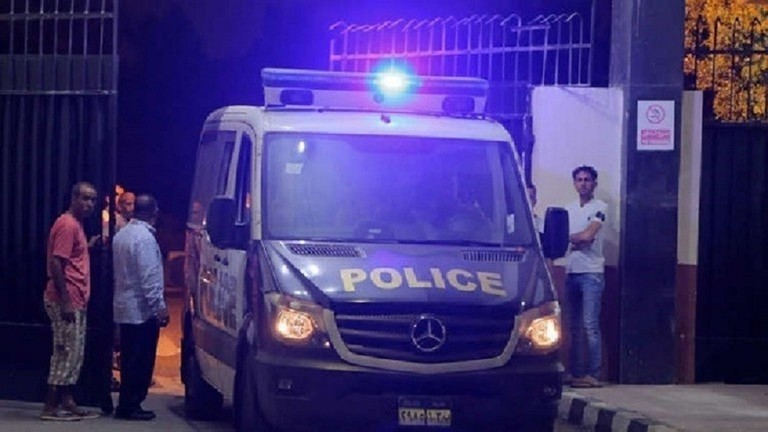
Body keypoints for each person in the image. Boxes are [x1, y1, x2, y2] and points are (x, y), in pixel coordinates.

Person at [41, 182, 101, 421]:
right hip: (66, 298)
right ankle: (50, 406)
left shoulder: (76, 225)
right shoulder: (67, 225)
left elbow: (70, 255)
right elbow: (56, 262)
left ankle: (67, 401)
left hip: (76, 297)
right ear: (73, 198)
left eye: (93, 200)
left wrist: (87, 246)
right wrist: (65, 300)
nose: (89, 204)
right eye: (84, 198)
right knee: (65, 352)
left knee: (74, 351)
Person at [112, 194, 169, 421]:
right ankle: (132, 404)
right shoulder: (144, 239)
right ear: (154, 212)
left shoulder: (122, 234)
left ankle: (126, 403)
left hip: (124, 307)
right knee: (141, 361)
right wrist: (159, 307)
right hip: (141, 311)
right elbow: (149, 277)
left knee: (128, 360)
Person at [564, 166, 607, 389]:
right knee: (573, 327)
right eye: (579, 180)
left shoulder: (600, 207)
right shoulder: (568, 209)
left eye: (587, 180)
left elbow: (589, 236)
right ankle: (577, 373)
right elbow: (561, 237)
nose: (582, 183)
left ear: (594, 184)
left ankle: (594, 374)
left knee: (590, 325)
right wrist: (577, 239)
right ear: (574, 183)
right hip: (571, 271)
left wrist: (571, 238)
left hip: (592, 272)